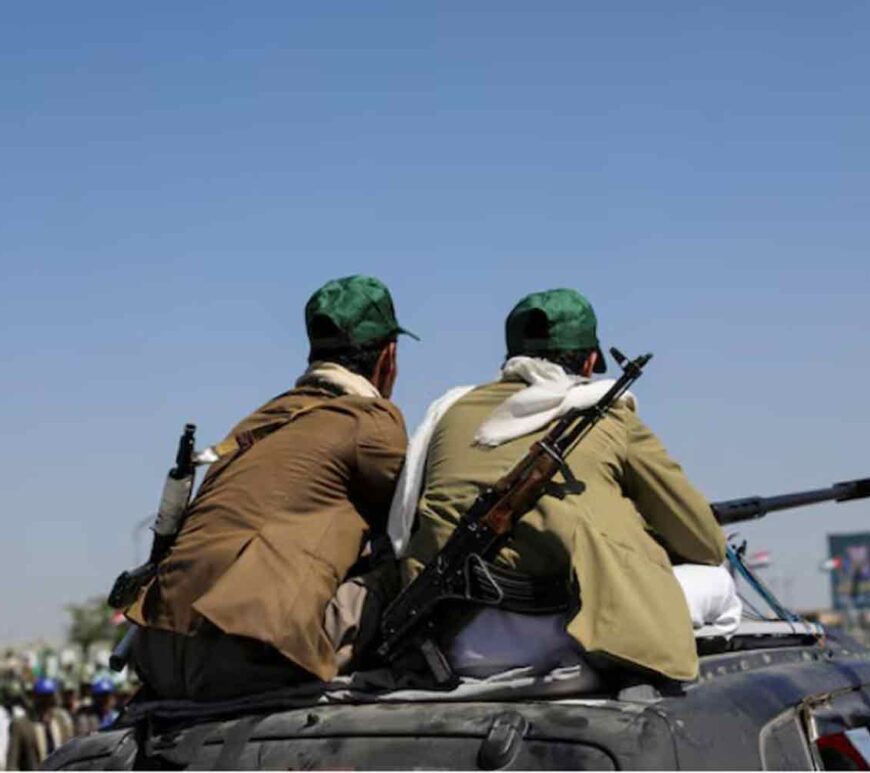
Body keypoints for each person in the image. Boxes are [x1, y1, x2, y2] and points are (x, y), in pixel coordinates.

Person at [393, 288, 726, 684]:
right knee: (719, 584)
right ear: (588, 362)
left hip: (453, 644)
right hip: (574, 639)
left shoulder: (449, 414)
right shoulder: (609, 415)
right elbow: (705, 545)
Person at [127, 275, 414, 701]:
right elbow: (414, 518)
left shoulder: (254, 425)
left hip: (158, 650)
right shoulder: (371, 421)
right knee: (414, 559)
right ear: (388, 359)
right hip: (254, 654)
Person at [6, 679, 73, 770]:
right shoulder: (20, 725)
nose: (46, 702)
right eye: (43, 698)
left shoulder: (61, 721)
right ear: (34, 698)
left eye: (50, 698)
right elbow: (12, 764)